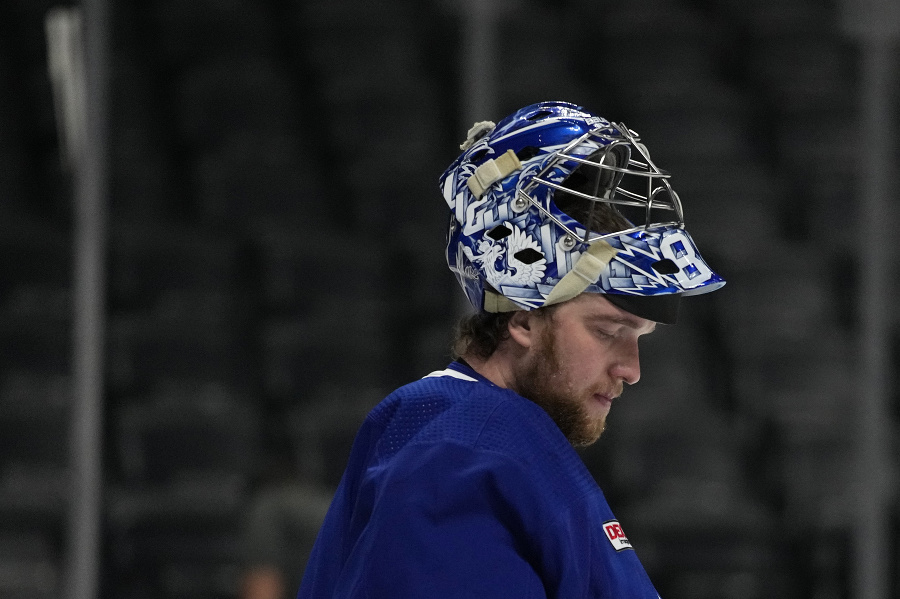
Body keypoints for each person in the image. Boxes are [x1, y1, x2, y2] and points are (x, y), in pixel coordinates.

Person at [296, 101, 725, 598]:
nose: (631, 370)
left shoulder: (477, 433)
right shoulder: (462, 452)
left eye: (640, 337)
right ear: (523, 319)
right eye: (609, 330)